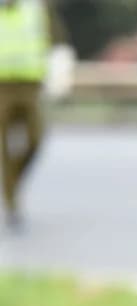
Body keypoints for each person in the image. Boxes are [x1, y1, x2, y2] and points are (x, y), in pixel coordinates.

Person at [0, 0, 62, 230]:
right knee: (5, 149)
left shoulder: (35, 8)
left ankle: (12, 183)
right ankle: (11, 202)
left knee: (36, 139)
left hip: (30, 85)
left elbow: (55, 41)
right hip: (2, 87)